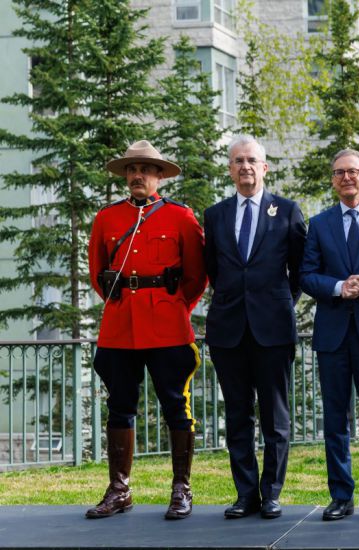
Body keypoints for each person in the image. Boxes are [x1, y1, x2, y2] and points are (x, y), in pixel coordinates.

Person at [86, 140, 207, 520]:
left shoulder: (181, 217)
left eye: (145, 169)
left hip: (168, 327)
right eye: (131, 169)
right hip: (120, 326)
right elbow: (97, 272)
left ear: (159, 176)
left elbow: (196, 276)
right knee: (119, 407)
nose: (137, 175)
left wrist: (171, 306)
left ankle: (181, 489)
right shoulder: (107, 218)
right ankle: (119, 489)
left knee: (176, 407)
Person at [204, 135, 306, 519]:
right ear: (230, 169)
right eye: (238, 161)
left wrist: (277, 304)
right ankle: (245, 493)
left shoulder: (288, 211)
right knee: (237, 415)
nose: (245, 166)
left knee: (275, 417)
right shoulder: (215, 215)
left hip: (273, 328)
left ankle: (272, 491)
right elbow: (214, 269)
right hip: (229, 329)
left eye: (252, 161)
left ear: (264, 168)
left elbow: (298, 272)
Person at [300, 149, 359, 523]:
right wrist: (340, 286)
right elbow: (307, 275)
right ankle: (341, 494)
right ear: (332, 180)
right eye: (339, 173)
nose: (346, 178)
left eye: (353, 172)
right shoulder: (320, 223)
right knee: (335, 420)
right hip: (334, 334)